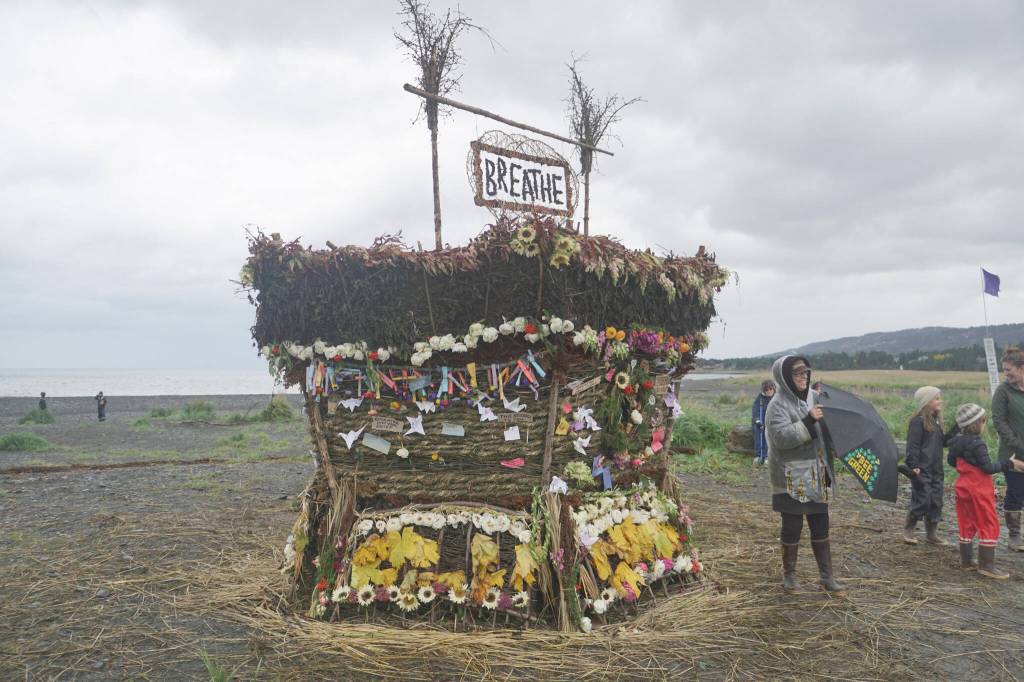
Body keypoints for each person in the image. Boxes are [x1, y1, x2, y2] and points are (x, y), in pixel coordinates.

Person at [766, 355, 846, 595]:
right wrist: (809, 420)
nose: (803, 377)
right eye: (797, 374)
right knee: (792, 525)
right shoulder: (776, 405)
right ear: (785, 378)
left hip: (816, 471)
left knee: (820, 523)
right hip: (789, 475)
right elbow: (781, 439)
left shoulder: (815, 396)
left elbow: (825, 428)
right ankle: (789, 576)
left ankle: (826, 576)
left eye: (805, 373)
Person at [947, 403, 1024, 578]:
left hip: (963, 487)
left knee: (966, 522)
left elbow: (952, 462)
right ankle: (987, 566)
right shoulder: (978, 444)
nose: (984, 422)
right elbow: (988, 468)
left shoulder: (956, 441)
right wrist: (1009, 463)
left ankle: (966, 562)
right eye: (983, 420)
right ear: (978, 422)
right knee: (988, 523)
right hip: (978, 489)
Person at [902, 386, 957, 546]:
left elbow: (944, 442)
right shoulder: (917, 421)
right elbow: (913, 446)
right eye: (936, 398)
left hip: (936, 469)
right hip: (922, 469)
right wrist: (913, 465)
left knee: (936, 501)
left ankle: (931, 534)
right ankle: (908, 530)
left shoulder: (936, 421)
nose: (940, 401)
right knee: (922, 499)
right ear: (926, 401)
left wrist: (956, 428)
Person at [992, 346, 1024, 552]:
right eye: (1004, 370)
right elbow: (999, 421)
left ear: (1022, 368)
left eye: (1009, 369)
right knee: (1016, 492)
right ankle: (1014, 536)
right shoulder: (1003, 391)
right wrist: (1018, 445)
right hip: (1013, 454)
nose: (1006, 374)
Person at [751, 381, 775, 465]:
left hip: (773, 423)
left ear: (773, 388)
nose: (769, 391)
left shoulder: (776, 398)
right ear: (763, 390)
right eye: (766, 389)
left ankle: (768, 456)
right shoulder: (759, 399)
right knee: (759, 431)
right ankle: (759, 456)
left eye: (770, 389)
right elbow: (755, 412)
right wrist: (758, 422)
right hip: (761, 423)